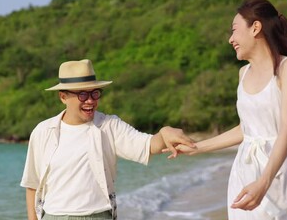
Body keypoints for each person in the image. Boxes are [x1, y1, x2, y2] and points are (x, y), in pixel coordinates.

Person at [170, 0, 287, 219]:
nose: (231, 39)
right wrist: (197, 147)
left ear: (256, 28)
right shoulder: (243, 74)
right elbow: (246, 129)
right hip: (246, 171)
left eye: (234, 30)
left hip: (285, 172)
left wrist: (264, 181)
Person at [20, 59, 195, 220]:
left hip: (99, 216)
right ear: (63, 97)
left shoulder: (109, 126)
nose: (90, 101)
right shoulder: (43, 131)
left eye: (95, 93)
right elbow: (32, 184)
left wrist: (164, 132)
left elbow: (149, 145)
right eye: (82, 94)